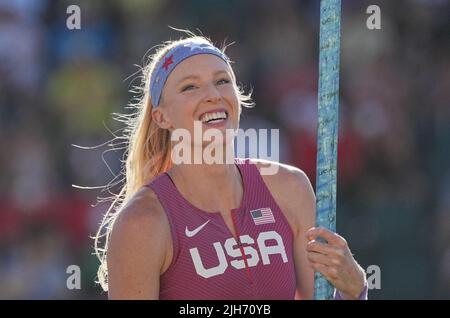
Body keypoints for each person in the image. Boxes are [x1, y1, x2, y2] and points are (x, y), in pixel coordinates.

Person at [94, 32, 367, 300]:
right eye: (190, 86)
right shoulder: (142, 222)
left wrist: (354, 292)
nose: (213, 95)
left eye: (222, 81)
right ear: (161, 117)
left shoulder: (290, 189)